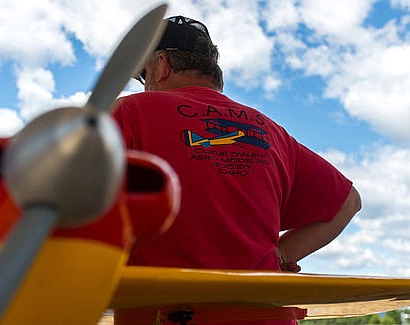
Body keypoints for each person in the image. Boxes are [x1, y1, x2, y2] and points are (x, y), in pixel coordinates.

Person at [113, 16, 361, 325]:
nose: (145, 84)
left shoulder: (128, 112)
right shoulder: (272, 131)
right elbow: (349, 201)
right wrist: (282, 255)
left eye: (144, 74)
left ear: (161, 64)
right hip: (269, 316)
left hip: (167, 316)